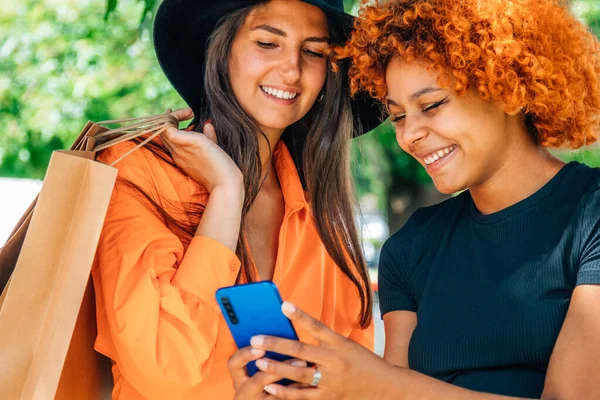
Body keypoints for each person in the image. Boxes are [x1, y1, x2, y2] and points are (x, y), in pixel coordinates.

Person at [242, 0, 600, 398]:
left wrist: (379, 383)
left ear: (504, 86)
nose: (409, 135)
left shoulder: (590, 215)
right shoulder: (410, 250)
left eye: (431, 106)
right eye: (398, 116)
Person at [91, 0, 382, 398]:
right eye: (267, 43)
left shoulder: (323, 218)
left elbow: (352, 379)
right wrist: (226, 193)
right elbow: (164, 368)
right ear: (220, 47)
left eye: (313, 52)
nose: (292, 70)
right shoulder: (138, 175)